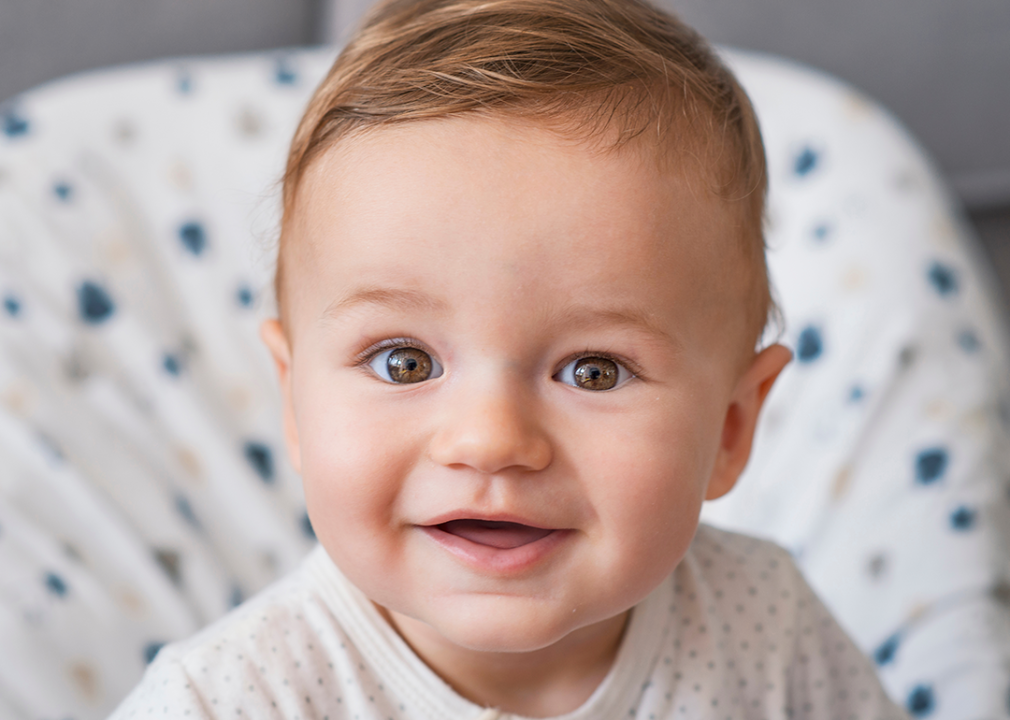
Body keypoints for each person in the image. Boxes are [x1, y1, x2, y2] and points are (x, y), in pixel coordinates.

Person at [110, 0, 907, 717]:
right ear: (294, 403)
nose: (490, 440)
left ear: (731, 429)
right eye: (404, 363)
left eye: (594, 370)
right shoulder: (229, 701)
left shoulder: (765, 628)